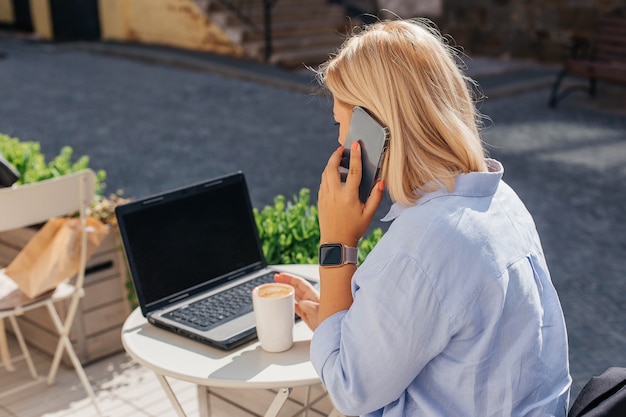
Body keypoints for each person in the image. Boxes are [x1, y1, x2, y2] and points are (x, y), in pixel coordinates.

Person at [275, 18, 571, 417]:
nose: (340, 141)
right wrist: (342, 324)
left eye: (340, 124)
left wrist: (337, 243)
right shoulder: (500, 200)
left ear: (374, 128)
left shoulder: (423, 246)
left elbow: (349, 389)